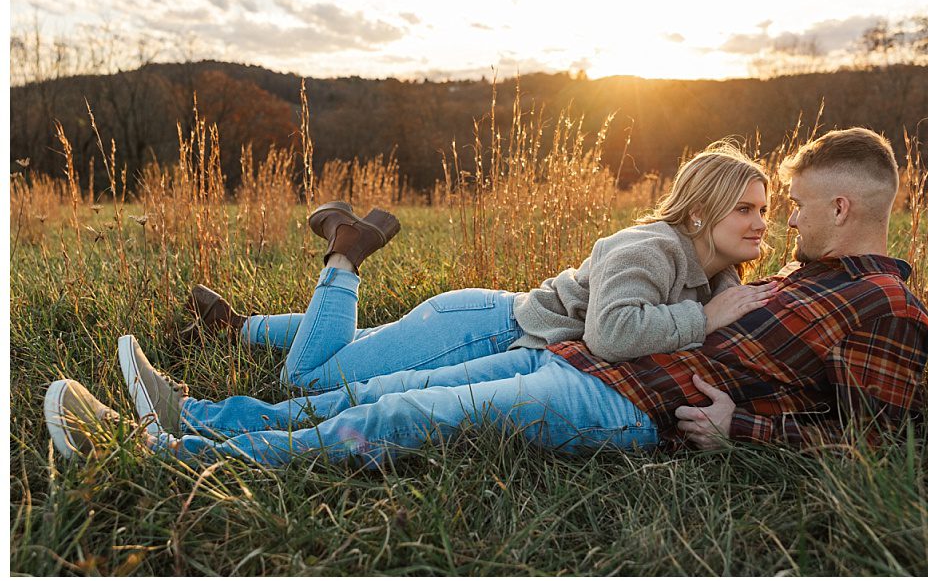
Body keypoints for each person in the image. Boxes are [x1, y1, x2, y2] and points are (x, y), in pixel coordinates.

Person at [44, 128, 928, 467]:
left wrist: (741, 425)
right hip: (552, 348)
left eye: (790, 207)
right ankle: (193, 416)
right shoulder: (775, 273)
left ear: (842, 207)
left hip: (614, 397)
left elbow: (873, 437)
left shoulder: (885, 309)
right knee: (363, 390)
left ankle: (174, 453)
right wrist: (709, 317)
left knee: (387, 414)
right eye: (753, 208)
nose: (778, 224)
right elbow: (659, 319)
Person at [181, 140, 775, 394]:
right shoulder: (650, 247)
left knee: (363, 343)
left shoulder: (716, 272)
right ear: (700, 211)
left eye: (766, 210)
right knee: (307, 384)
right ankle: (346, 247)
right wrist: (704, 318)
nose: (760, 223)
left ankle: (238, 329)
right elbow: (610, 332)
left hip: (480, 320)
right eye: (743, 209)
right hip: (475, 329)